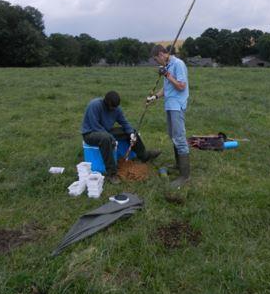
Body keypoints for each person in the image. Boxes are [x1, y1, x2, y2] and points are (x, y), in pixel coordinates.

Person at [81, 91, 161, 184]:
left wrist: (131, 133)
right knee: (106, 138)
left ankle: (143, 155)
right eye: (112, 107)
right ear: (105, 102)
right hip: (91, 133)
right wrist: (111, 138)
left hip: (106, 132)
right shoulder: (94, 105)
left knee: (132, 132)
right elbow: (95, 126)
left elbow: (124, 123)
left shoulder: (116, 108)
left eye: (115, 107)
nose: (114, 109)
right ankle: (111, 173)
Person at [146, 44, 191, 188]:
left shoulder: (178, 64)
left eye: (156, 59)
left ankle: (185, 176)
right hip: (169, 105)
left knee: (179, 137)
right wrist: (155, 97)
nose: (156, 62)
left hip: (177, 105)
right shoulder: (167, 65)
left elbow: (181, 86)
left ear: (161, 54)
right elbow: (167, 88)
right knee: (172, 135)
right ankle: (178, 165)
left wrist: (167, 75)